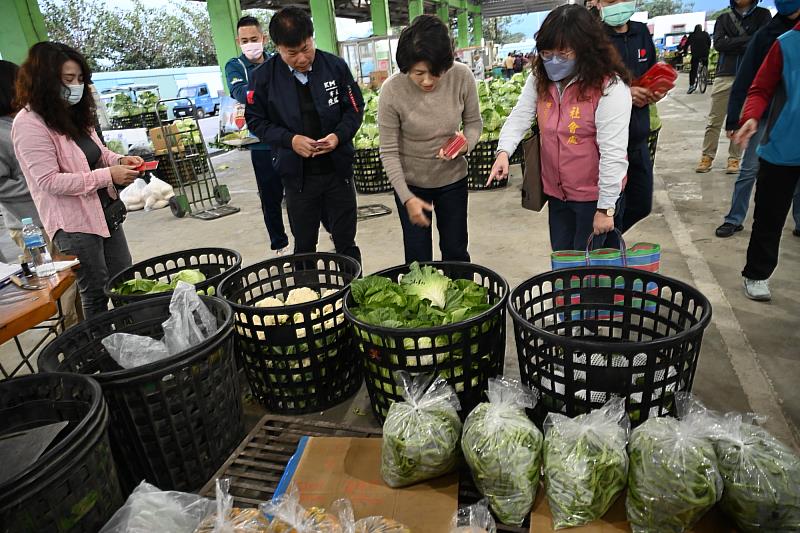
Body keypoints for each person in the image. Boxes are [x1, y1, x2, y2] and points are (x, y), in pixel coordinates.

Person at [12, 42, 143, 318]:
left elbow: (98, 152)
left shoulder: (75, 113)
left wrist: (118, 161)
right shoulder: (29, 124)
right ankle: (100, 352)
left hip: (105, 212)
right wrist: (107, 175)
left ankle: (133, 336)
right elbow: (49, 180)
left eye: (81, 79)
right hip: (75, 225)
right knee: (95, 291)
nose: (76, 86)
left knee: (125, 282)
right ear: (44, 79)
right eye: (68, 79)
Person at [488, 4, 632, 251]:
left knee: (591, 273)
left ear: (586, 50)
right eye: (547, 53)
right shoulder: (540, 79)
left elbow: (613, 153)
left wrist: (606, 208)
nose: (553, 61)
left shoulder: (609, 88)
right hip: (558, 195)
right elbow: (520, 115)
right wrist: (503, 152)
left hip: (593, 198)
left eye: (564, 55)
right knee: (563, 263)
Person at [245, 7, 364, 264]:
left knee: (345, 241)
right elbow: (255, 120)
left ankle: (354, 296)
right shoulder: (263, 78)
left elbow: (354, 109)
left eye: (306, 48)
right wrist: (290, 140)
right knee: (305, 245)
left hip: (337, 173)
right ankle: (308, 298)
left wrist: (338, 136)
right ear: (277, 47)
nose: (302, 58)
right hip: (298, 178)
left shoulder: (335, 67)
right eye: (292, 53)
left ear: (312, 38)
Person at [378, 15, 481, 263]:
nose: (427, 80)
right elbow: (389, 151)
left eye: (436, 73)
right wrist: (407, 197)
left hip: (452, 180)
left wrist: (465, 144)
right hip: (412, 183)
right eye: (418, 73)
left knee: (455, 251)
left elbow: (474, 124)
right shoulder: (392, 91)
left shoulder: (462, 76)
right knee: (417, 258)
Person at [717, 0, 800, 238]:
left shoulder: (763, 20)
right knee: (750, 169)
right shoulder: (770, 35)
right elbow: (751, 82)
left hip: (794, 120)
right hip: (766, 116)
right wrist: (737, 118)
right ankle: (734, 218)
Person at [733, 18, 800, 301]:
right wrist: (750, 116)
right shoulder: (786, 44)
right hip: (783, 147)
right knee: (769, 217)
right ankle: (757, 273)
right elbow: (760, 88)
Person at [224, 15, 290, 256]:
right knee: (270, 197)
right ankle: (279, 245)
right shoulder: (236, 66)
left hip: (286, 139)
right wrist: (268, 91)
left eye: (254, 38)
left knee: (296, 192)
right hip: (260, 143)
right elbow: (240, 92)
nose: (250, 43)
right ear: (238, 41)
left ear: (263, 38)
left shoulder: (278, 60)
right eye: (245, 40)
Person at [598, 0, 665, 234]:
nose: (618, 5)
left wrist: (655, 90)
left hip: (637, 135)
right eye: (610, 1)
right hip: (607, 143)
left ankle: (608, 244)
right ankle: (604, 252)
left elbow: (652, 71)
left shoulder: (641, 32)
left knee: (641, 203)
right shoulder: (593, 38)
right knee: (611, 207)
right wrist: (626, 94)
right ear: (597, 2)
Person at [695, 0, 771, 174]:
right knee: (714, 119)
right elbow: (719, 44)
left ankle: (734, 159)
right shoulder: (723, 18)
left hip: (751, 76)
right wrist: (748, 41)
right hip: (725, 74)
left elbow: (763, 41)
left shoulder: (763, 15)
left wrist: (733, 41)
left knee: (742, 120)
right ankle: (707, 156)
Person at [686, 25, 711, 94]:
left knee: (693, 70)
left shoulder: (692, 35)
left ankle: (691, 86)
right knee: (705, 63)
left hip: (695, 55)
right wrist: (707, 49)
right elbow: (709, 42)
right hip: (705, 54)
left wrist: (685, 52)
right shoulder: (705, 34)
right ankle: (705, 73)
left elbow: (686, 44)